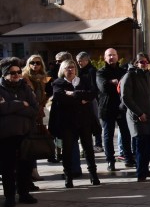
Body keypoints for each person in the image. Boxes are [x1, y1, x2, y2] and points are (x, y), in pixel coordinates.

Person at [49, 59, 101, 189]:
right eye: (67, 68)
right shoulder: (58, 83)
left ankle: (93, 175)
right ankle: (68, 177)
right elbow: (60, 98)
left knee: (88, 148)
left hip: (84, 121)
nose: (70, 70)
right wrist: (81, 99)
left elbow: (92, 94)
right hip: (67, 122)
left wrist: (74, 93)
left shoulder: (83, 80)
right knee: (67, 150)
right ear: (62, 70)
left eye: (72, 67)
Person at [0, 58, 39, 207]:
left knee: (25, 165)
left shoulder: (25, 88)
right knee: (8, 167)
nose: (16, 75)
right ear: (5, 74)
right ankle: (9, 196)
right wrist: (21, 104)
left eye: (18, 72)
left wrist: (10, 107)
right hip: (6, 134)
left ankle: (24, 194)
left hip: (25, 133)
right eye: (12, 73)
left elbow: (34, 110)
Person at [121, 53, 150, 182]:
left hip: (149, 113)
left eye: (146, 62)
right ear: (136, 63)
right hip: (136, 116)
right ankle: (140, 173)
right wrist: (139, 113)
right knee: (140, 145)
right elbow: (126, 98)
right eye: (141, 62)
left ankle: (145, 169)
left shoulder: (148, 75)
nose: (144, 64)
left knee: (148, 147)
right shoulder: (129, 75)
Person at [97, 47, 134, 171]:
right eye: (109, 55)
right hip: (107, 108)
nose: (111, 57)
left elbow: (128, 86)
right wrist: (112, 83)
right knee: (108, 136)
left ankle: (128, 158)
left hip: (122, 107)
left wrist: (115, 83)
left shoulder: (123, 71)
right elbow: (103, 87)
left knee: (126, 134)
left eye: (113, 55)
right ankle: (110, 161)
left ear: (117, 57)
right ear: (105, 58)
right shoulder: (100, 72)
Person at [22, 54, 53, 178]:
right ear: (28, 64)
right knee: (28, 141)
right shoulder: (24, 77)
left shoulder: (44, 78)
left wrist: (44, 104)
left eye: (38, 63)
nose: (35, 65)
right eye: (32, 63)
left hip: (39, 112)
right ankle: (30, 171)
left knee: (35, 140)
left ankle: (33, 170)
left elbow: (47, 94)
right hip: (28, 112)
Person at [76, 52, 102, 153]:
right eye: (78, 61)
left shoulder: (92, 71)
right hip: (82, 99)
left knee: (95, 120)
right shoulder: (79, 70)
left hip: (91, 99)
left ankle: (98, 144)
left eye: (81, 61)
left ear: (87, 60)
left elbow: (94, 87)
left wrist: (88, 98)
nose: (79, 63)